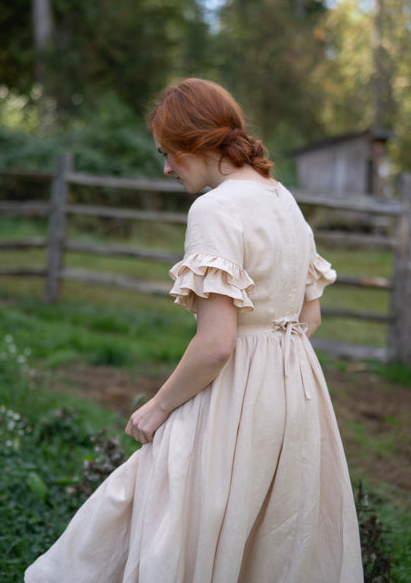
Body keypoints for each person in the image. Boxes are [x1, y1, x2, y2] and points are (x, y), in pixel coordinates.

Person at [25, 78, 363, 582]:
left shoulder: (215, 209)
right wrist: (272, 366)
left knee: (170, 508)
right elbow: (309, 318)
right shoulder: (283, 200)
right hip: (298, 397)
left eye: (168, 153)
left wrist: (157, 408)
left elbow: (217, 344)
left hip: (234, 397)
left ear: (197, 142)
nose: (165, 167)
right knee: (271, 533)